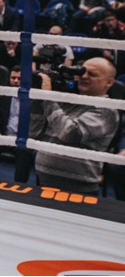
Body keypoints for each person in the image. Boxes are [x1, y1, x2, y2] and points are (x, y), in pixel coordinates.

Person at [30, 57, 120, 194]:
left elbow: (70, 133)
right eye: (81, 71)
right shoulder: (66, 100)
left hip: (79, 188)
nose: (84, 76)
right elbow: (33, 133)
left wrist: (47, 98)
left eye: (92, 74)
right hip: (42, 179)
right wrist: (38, 99)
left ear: (109, 82)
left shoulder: (107, 110)